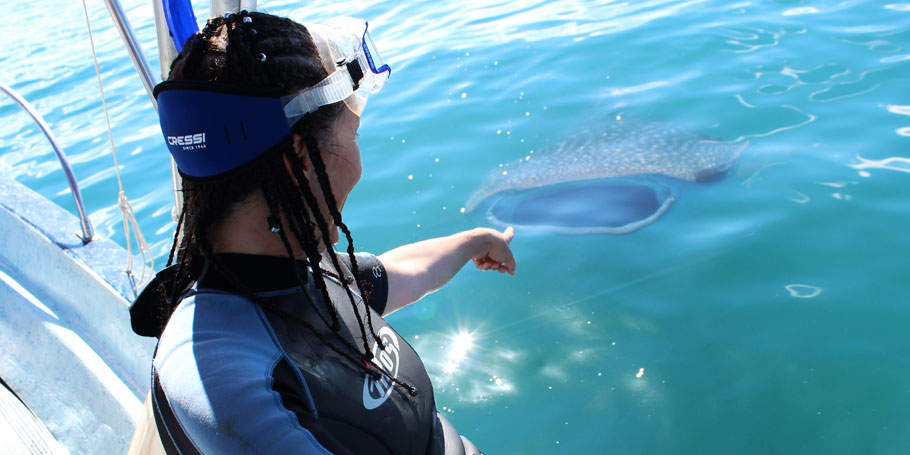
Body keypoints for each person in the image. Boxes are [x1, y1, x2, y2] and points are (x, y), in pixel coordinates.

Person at [127, 10, 516, 455]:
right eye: (353, 132)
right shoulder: (217, 372)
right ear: (299, 158)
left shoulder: (299, 277)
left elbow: (400, 270)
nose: (359, 159)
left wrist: (475, 242)